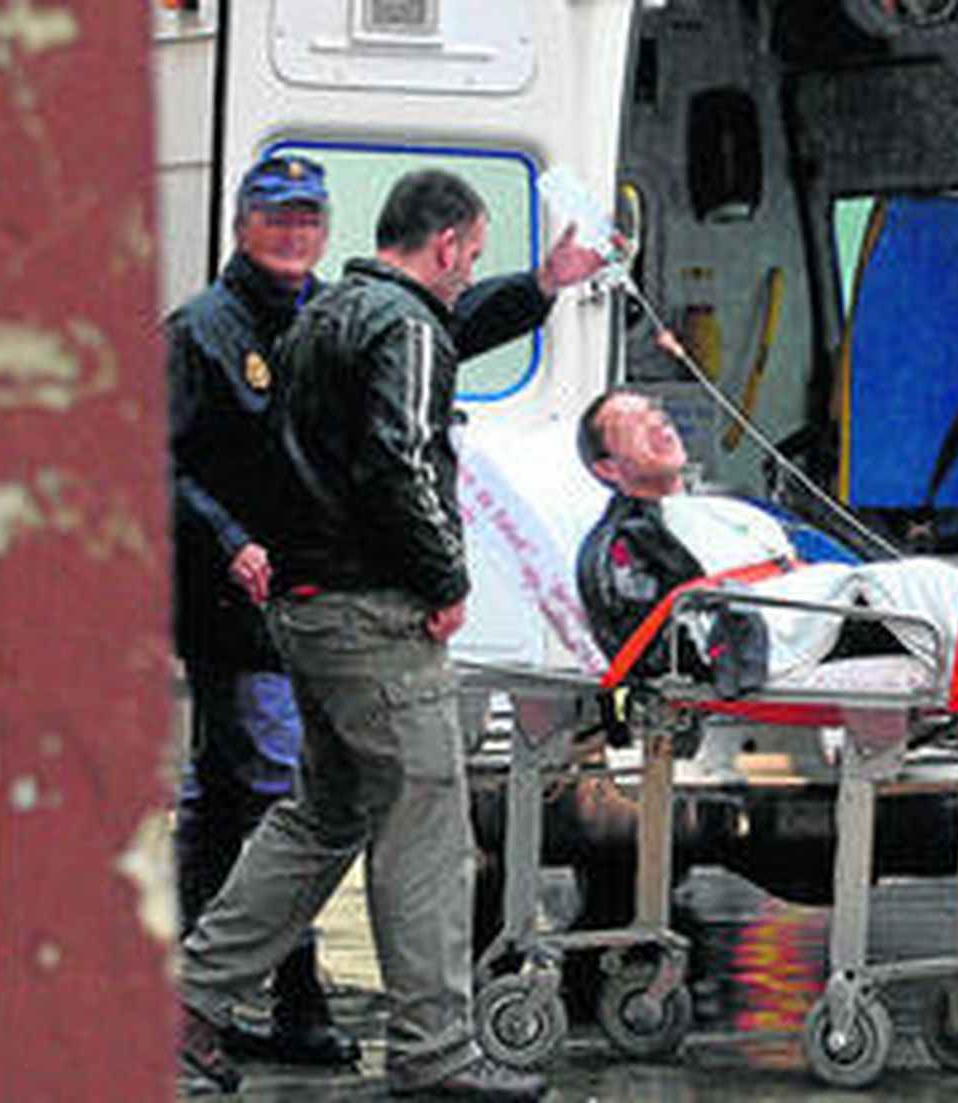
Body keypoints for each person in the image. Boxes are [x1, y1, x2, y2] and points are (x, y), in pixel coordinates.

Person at [178, 168, 603, 1100]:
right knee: (426, 823)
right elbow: (399, 463)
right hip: (375, 616)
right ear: (445, 244)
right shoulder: (402, 327)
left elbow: (434, 343)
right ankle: (435, 1049)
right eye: (472, 255)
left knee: (321, 814)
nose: (469, 271)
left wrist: (540, 284)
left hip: (306, 610)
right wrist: (445, 577)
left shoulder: (325, 316)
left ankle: (189, 1001)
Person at [573, 388, 958, 714]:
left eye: (657, 414)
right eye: (634, 425)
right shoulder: (622, 545)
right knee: (918, 585)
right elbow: (654, 647)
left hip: (822, 610)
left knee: (924, 582)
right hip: (783, 635)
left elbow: (822, 558)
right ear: (607, 468)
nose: (659, 425)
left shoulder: (736, 509)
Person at [165, 153, 359, 1067]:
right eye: (276, 217)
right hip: (228, 606)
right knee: (283, 792)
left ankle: (189, 978)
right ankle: (294, 995)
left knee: (223, 792)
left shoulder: (332, 318)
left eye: (307, 218)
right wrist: (228, 538)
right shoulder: (199, 331)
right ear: (243, 224)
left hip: (312, 598)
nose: (293, 232)